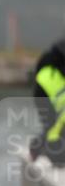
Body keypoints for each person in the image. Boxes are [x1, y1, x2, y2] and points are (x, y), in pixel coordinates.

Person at [30, 38, 65, 166]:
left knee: (52, 125)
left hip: (44, 82)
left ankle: (38, 147)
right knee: (54, 126)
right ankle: (44, 149)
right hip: (50, 82)